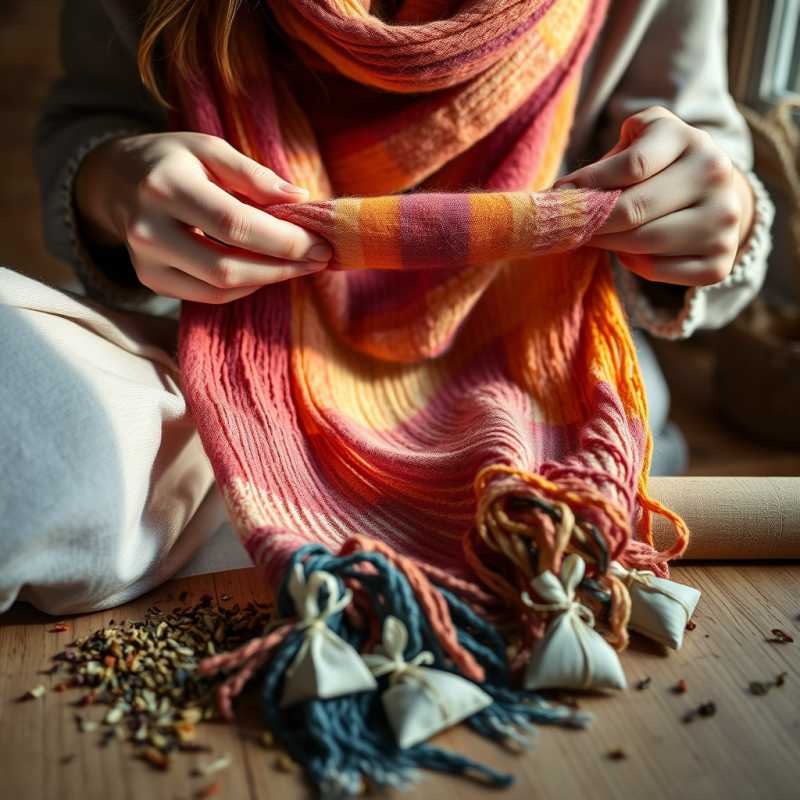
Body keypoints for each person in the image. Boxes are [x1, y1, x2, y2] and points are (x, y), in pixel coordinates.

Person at [0, 0, 774, 614]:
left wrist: (719, 212)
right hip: (221, 358)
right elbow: (88, 118)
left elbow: (697, 149)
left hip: (536, 384)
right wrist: (113, 182)